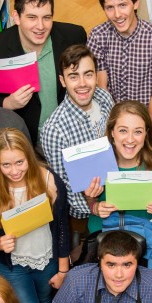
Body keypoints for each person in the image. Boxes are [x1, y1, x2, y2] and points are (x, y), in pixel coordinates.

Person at [0, 128, 70, 303]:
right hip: (12, 265)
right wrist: (0, 243)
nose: (14, 171)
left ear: (29, 157)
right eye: (6, 165)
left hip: (46, 258)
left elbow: (63, 226)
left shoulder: (49, 181)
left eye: (20, 162)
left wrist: (63, 270)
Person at [0, 0, 87, 144]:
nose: (41, 26)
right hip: (26, 138)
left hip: (70, 131)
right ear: (16, 17)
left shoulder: (74, 36)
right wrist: (6, 103)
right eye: (32, 17)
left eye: (46, 17)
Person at [84, 100, 152, 272]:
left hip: (144, 234)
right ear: (112, 132)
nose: (130, 139)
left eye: (138, 132)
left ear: (146, 133)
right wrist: (96, 207)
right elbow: (90, 200)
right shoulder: (95, 161)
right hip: (104, 235)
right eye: (123, 130)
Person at [39, 45, 114, 243]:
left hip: (116, 194)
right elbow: (64, 187)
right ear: (62, 81)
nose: (82, 83)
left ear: (96, 75)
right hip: (85, 216)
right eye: (73, 76)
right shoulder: (54, 130)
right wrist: (94, 206)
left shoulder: (104, 98)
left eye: (88, 74)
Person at [87, 0, 152, 126]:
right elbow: (102, 88)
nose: (117, 14)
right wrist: (115, 128)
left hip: (146, 120)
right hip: (112, 120)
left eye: (122, 5)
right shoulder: (97, 36)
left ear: (135, 3)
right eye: (110, 8)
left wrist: (146, 132)